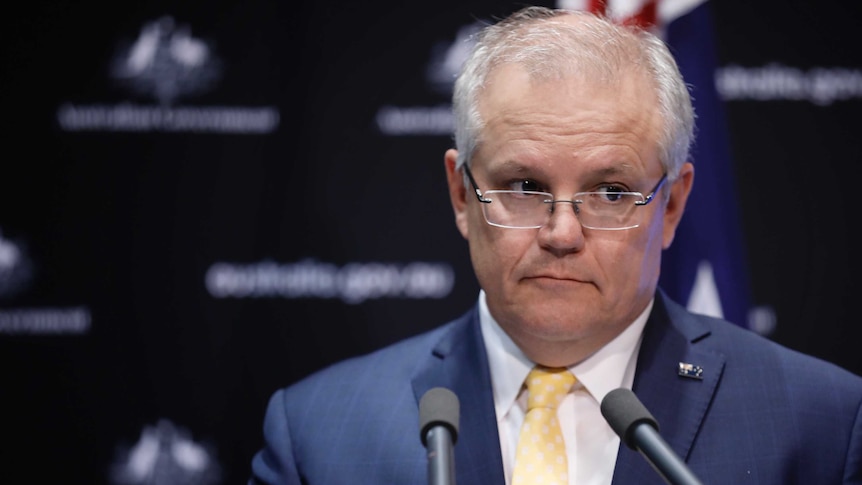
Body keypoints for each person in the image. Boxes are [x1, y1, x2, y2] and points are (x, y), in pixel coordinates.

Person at [249, 6, 862, 485]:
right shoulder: (318, 433)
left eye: (611, 193)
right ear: (462, 196)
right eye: (524, 186)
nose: (562, 234)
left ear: (671, 205)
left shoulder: (819, 423)